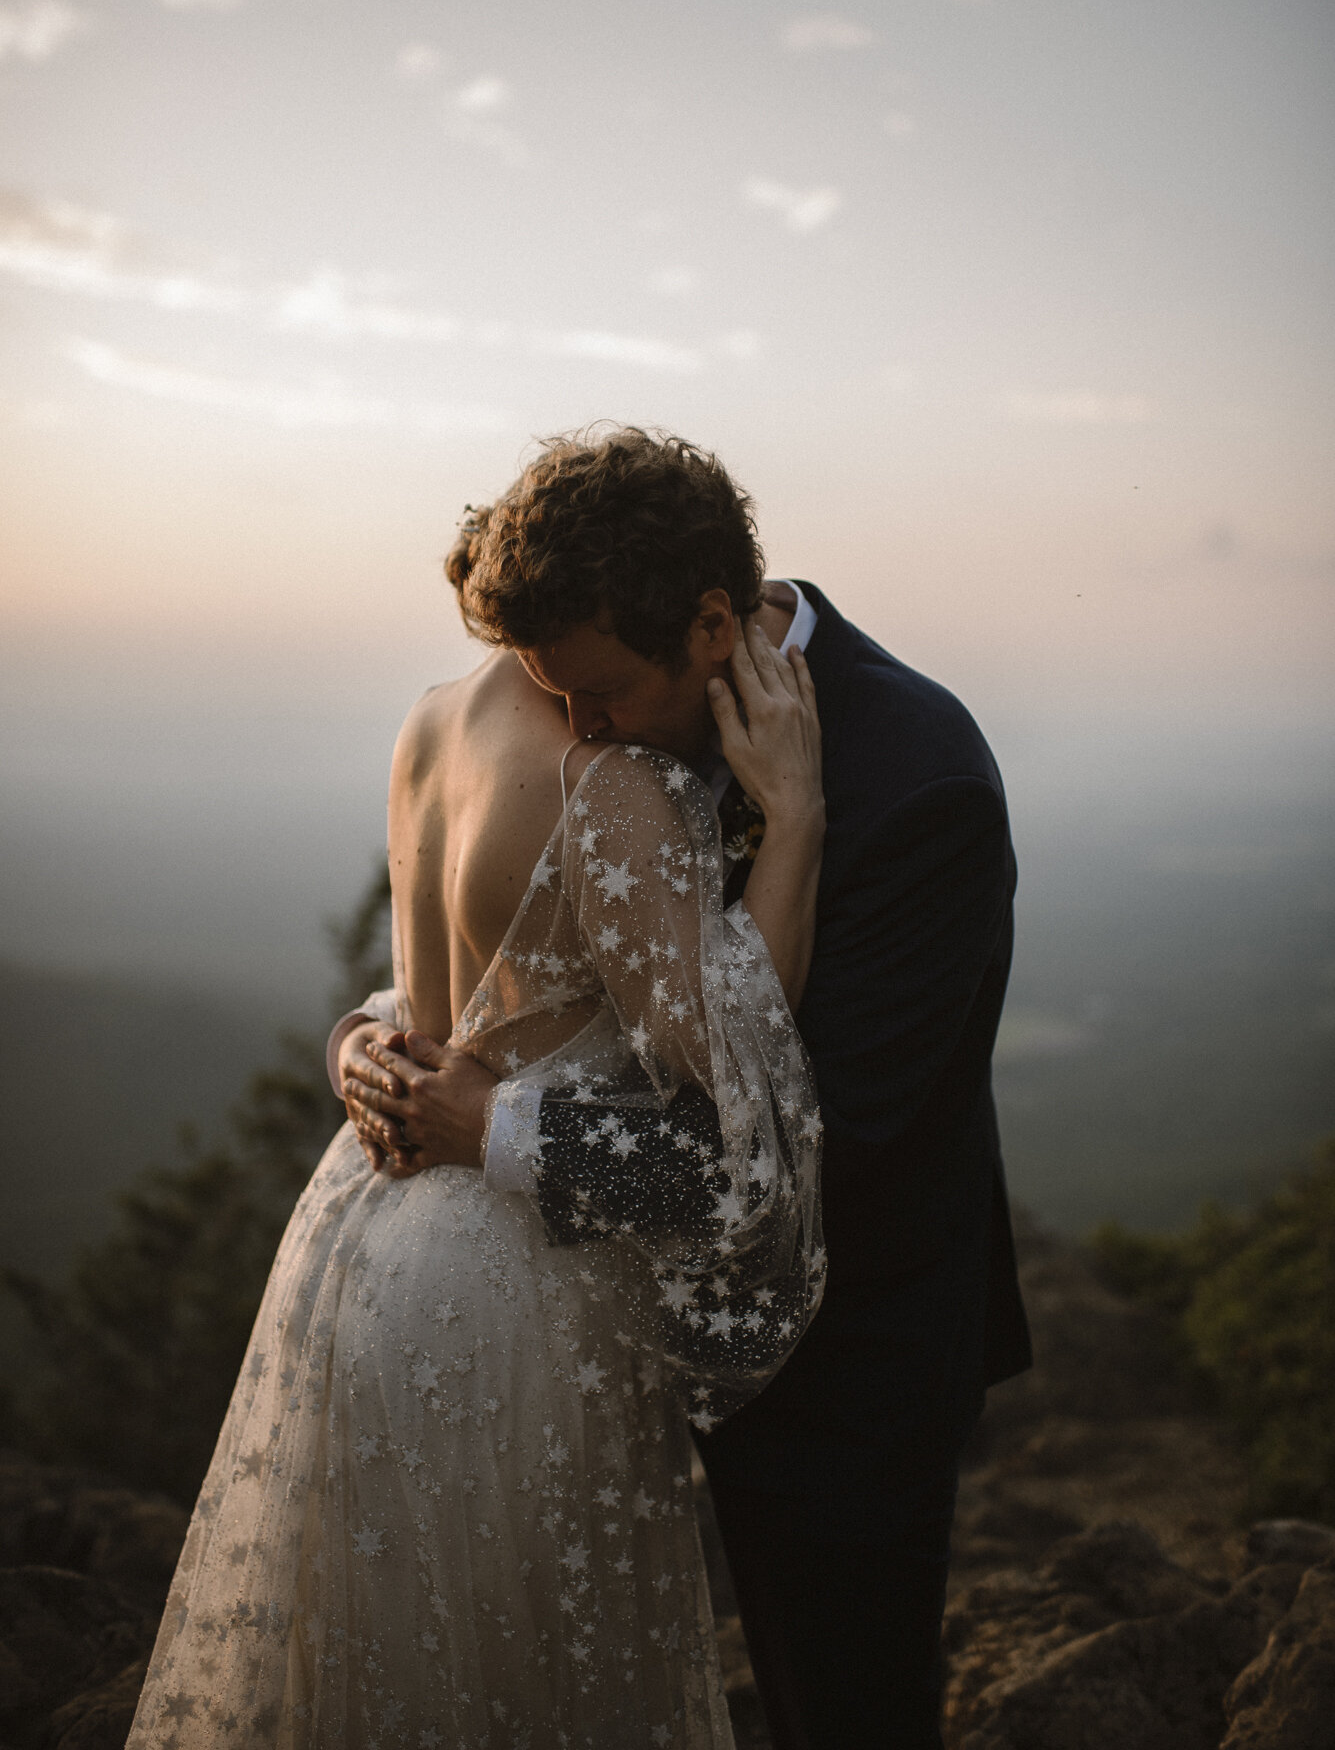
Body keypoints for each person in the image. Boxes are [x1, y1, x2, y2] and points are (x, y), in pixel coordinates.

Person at [126, 438, 828, 1748]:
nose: (593, 714)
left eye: (605, 689)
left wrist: (356, 1044)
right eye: (578, 689)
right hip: (515, 1293)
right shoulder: (605, 779)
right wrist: (795, 823)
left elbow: (434, 1002)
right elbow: (731, 1098)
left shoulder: (432, 717)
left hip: (361, 1243)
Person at [342, 428, 1032, 1750]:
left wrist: (485, 1125)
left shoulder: (916, 778)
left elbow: (816, 1141)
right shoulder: (585, 696)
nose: (574, 734)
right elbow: (520, 967)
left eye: (598, 700)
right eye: (552, 694)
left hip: (839, 1363)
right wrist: (370, 1040)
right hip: (574, 1317)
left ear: (714, 622)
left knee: (843, 1708)